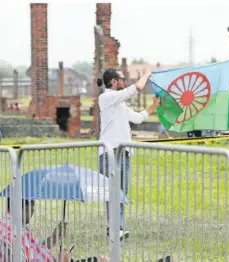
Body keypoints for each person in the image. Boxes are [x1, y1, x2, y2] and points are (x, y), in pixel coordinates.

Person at [97, 68, 160, 238]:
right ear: (113, 82)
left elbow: (137, 118)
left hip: (124, 152)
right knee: (112, 192)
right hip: (110, 153)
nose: (125, 82)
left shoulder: (120, 103)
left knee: (122, 193)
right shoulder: (106, 98)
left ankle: (119, 228)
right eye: (122, 79)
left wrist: (153, 107)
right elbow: (136, 89)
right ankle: (113, 229)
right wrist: (146, 74)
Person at [0, 198, 109, 262]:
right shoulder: (12, 233)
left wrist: (54, 236)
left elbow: (36, 251)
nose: (33, 212)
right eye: (32, 208)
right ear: (22, 207)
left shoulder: (15, 225)